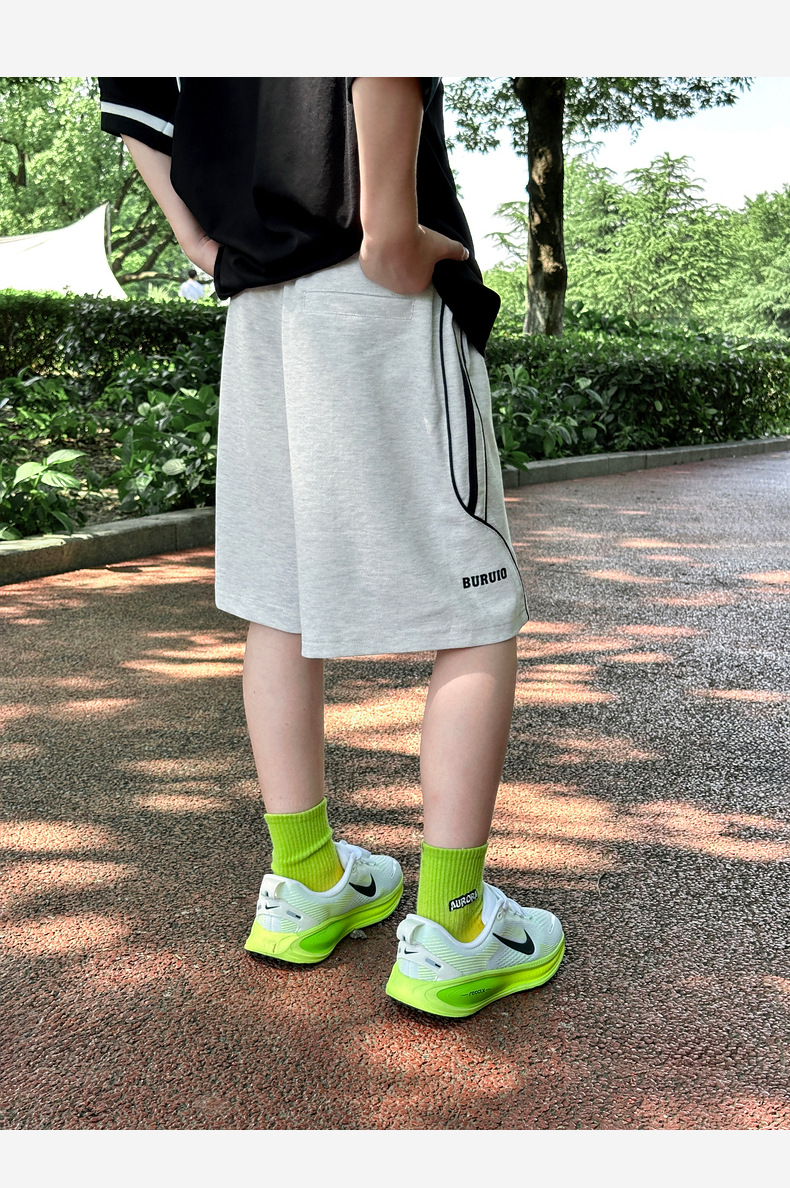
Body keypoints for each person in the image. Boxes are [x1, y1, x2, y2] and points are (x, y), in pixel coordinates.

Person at [98, 77, 564, 1019]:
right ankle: (456, 926)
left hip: (257, 297)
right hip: (370, 281)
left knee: (280, 598)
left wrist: (199, 240)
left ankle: (308, 877)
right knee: (477, 608)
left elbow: (127, 84)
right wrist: (393, 232)